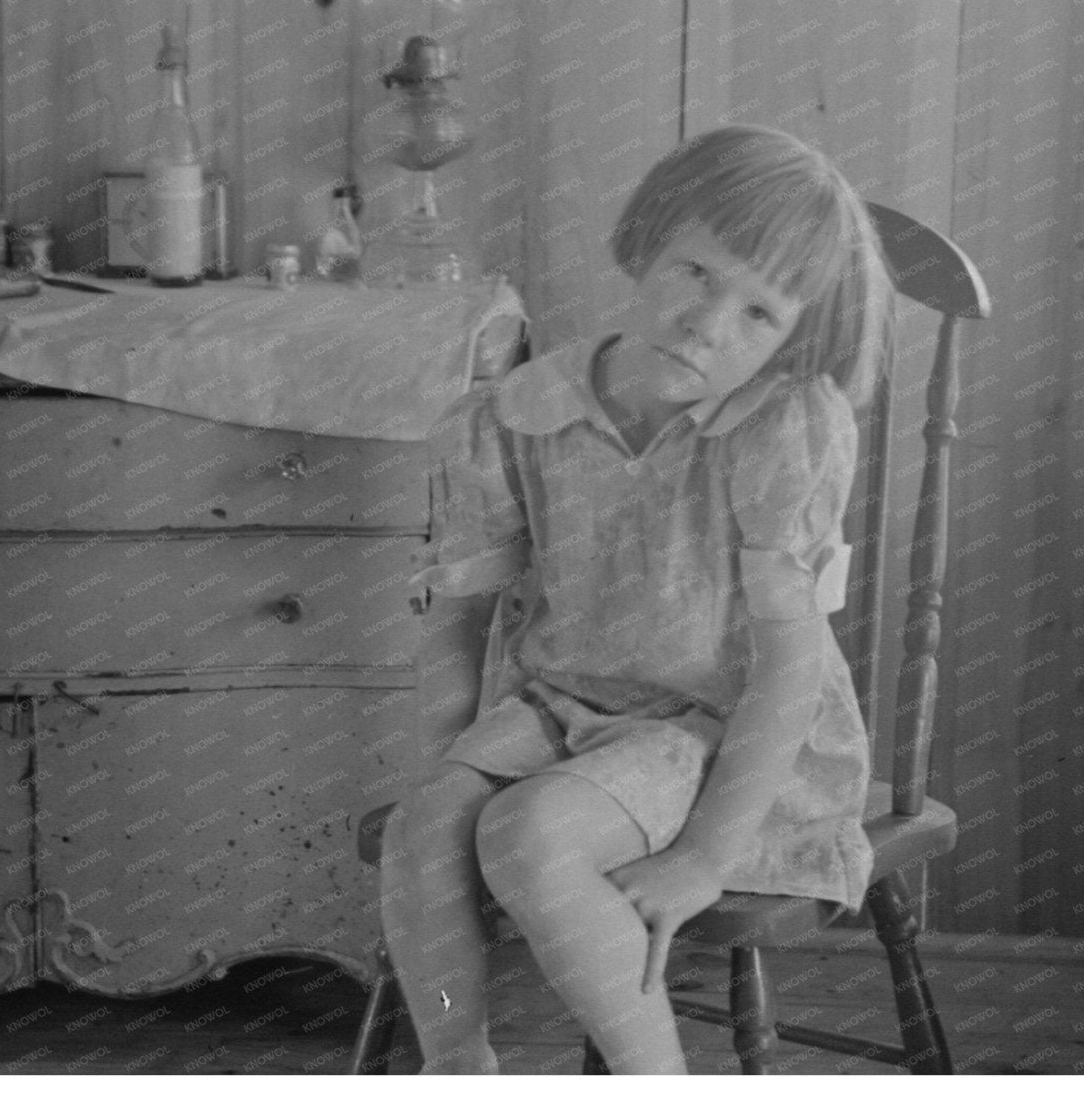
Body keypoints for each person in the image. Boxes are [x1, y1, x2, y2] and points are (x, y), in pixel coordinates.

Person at [380, 125, 892, 1074]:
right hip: (560, 710)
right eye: (697, 271)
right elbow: (459, 626)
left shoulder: (778, 428)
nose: (707, 322)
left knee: (526, 835)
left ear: (793, 339)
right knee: (425, 830)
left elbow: (789, 668)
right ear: (651, 239)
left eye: (759, 314)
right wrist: (440, 764)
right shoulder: (525, 411)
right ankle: (456, 1062)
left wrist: (702, 857)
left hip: (720, 733)